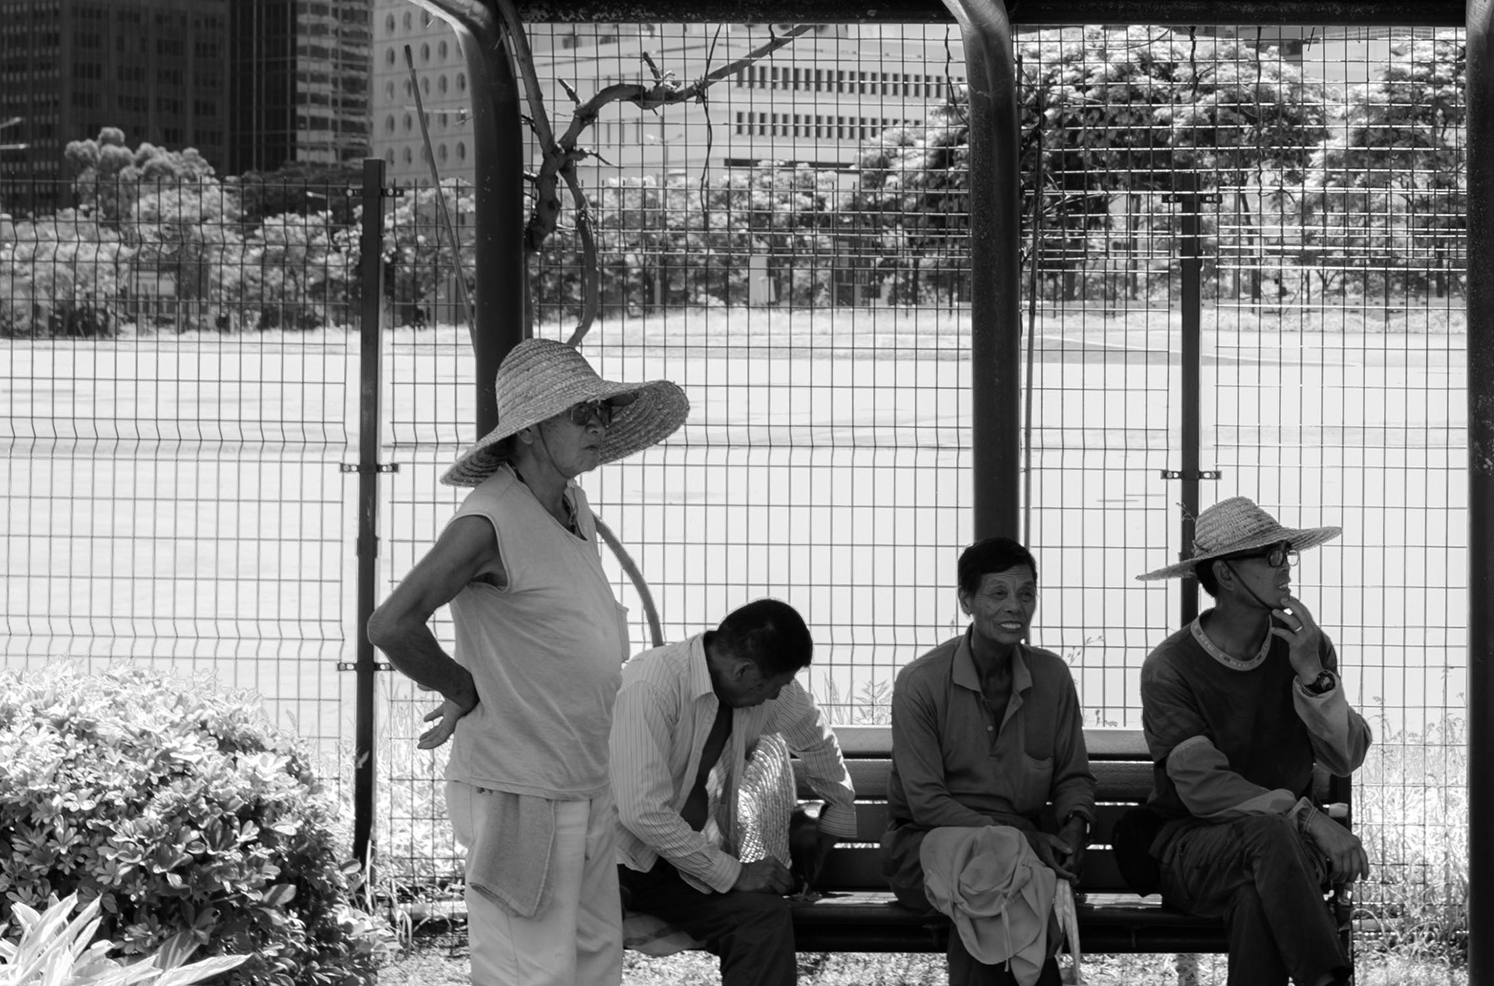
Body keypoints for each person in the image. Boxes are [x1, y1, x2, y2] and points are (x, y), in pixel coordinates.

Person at [368, 338, 690, 986]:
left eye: (602, 410)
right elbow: (391, 624)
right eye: (583, 414)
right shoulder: (487, 520)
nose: (599, 426)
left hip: (586, 781)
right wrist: (465, 689)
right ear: (532, 431)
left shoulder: (572, 503)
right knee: (529, 973)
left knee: (596, 963)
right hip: (522, 795)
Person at [1136, 499, 1370, 986]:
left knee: (1255, 894)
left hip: (1288, 857)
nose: (1284, 567)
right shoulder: (1171, 667)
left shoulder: (1305, 646)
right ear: (1224, 574)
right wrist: (1306, 818)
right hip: (1195, 849)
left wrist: (1313, 676)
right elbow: (1202, 787)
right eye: (1269, 556)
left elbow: (1345, 756)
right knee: (1268, 836)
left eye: (1285, 552)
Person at [607, 598, 857, 986]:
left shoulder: (761, 685)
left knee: (761, 918)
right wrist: (735, 872)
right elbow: (642, 813)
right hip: (614, 860)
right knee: (588, 928)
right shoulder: (651, 683)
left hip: (683, 867)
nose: (775, 698)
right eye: (772, 687)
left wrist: (837, 814)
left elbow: (815, 738)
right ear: (744, 670)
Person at [892, 538, 1098, 986]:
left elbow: (1073, 778)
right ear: (966, 599)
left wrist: (1074, 825)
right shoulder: (921, 683)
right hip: (925, 847)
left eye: (1026, 594)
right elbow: (926, 805)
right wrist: (1021, 835)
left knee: (1004, 876)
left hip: (1023, 855)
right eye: (998, 593)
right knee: (992, 875)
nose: (1015, 607)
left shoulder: (1052, 677)